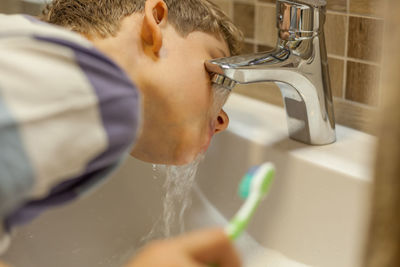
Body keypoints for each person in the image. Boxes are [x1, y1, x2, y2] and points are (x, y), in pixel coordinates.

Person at [0, 0, 243, 266]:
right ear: (156, 20)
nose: (222, 120)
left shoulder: (24, 44)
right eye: (216, 76)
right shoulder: (105, 92)